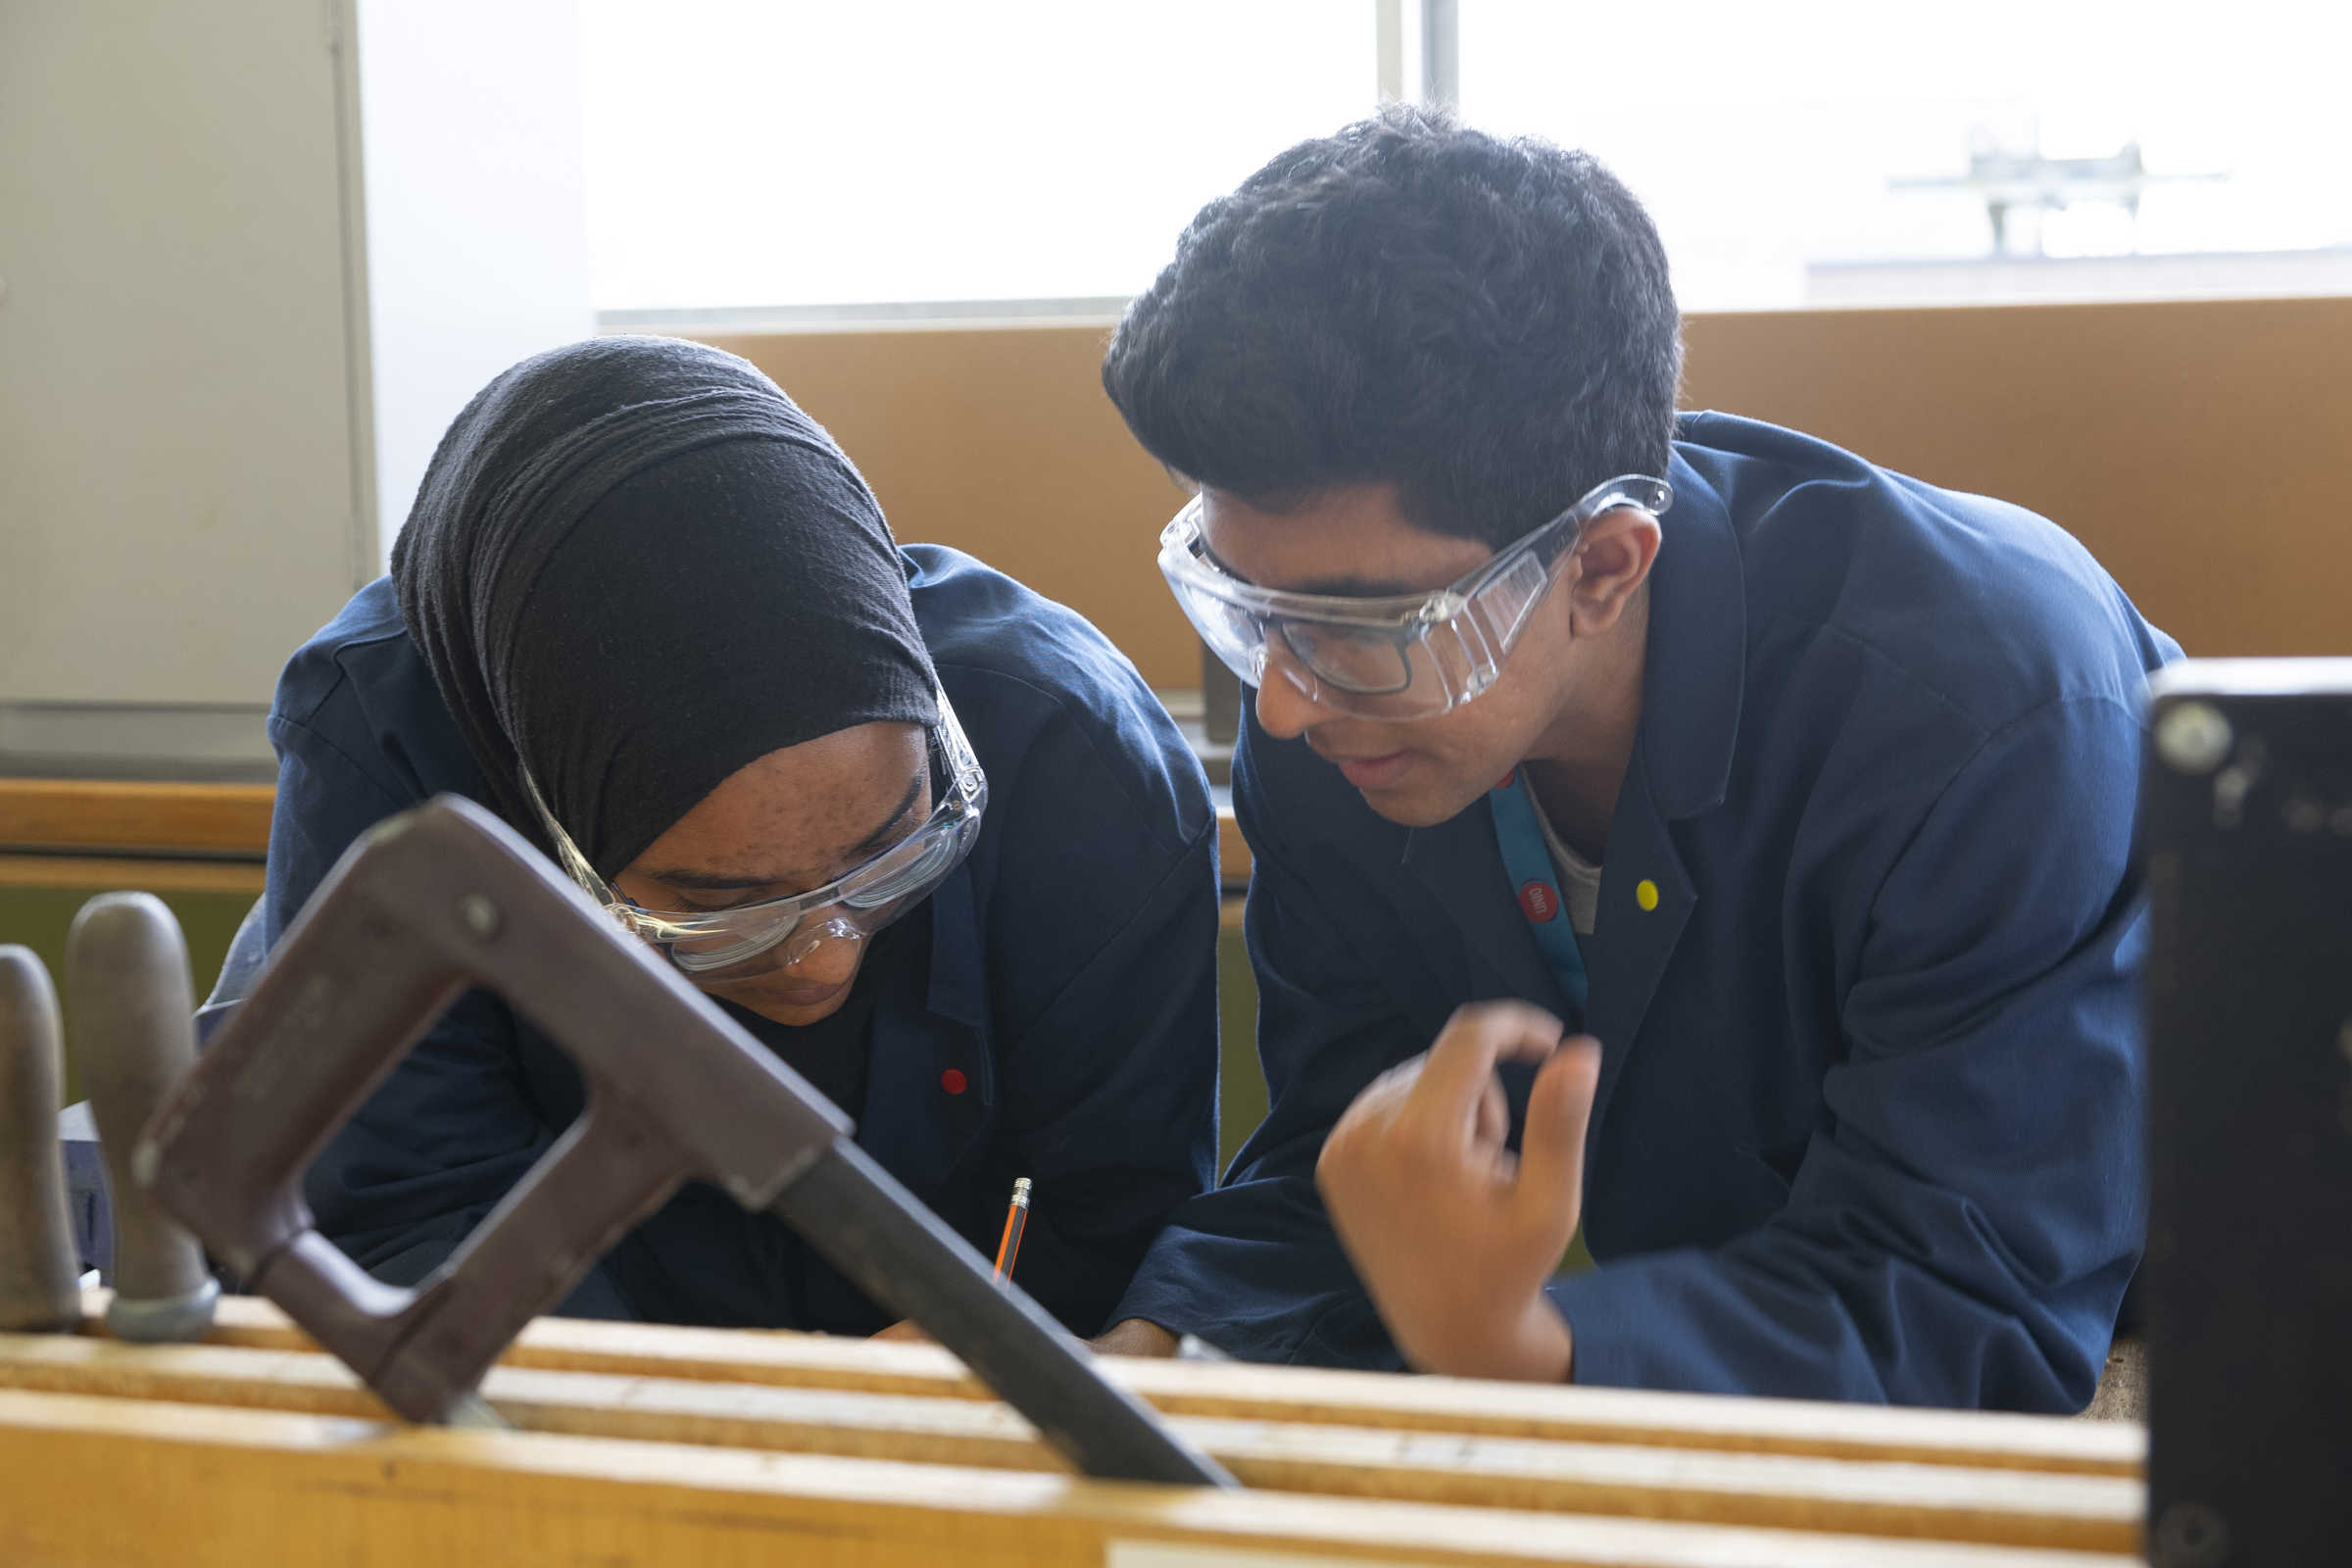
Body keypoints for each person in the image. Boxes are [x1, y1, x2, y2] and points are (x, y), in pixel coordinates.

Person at [1089, 107, 2178, 1409]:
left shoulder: (1986, 717)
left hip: (2192, 1330)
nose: (1278, 704)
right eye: (1245, 609)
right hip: (1784, 1334)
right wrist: (1143, 1349)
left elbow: (1961, 1310)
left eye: (1354, 626)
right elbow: (1357, 1162)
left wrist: (1529, 1349)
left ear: (1603, 565)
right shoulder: (1347, 719)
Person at [256, 335, 1219, 1337]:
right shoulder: (389, 766)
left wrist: (1037, 1347)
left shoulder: (1069, 743)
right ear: (550, 827)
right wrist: (721, 1403)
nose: (825, 964)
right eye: (721, 907)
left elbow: (1124, 1215)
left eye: (890, 851)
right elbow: (406, 1219)